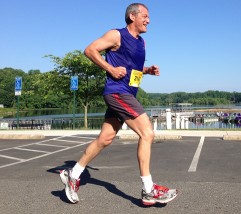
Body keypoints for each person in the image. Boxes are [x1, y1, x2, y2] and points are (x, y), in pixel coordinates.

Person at [60, 3, 178, 206]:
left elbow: (134, 67)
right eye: (145, 16)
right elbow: (90, 50)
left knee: (105, 139)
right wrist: (111, 69)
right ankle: (148, 190)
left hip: (126, 92)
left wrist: (147, 70)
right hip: (117, 92)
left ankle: (74, 173)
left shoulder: (142, 43)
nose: (149, 20)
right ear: (133, 16)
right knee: (147, 133)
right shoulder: (116, 35)